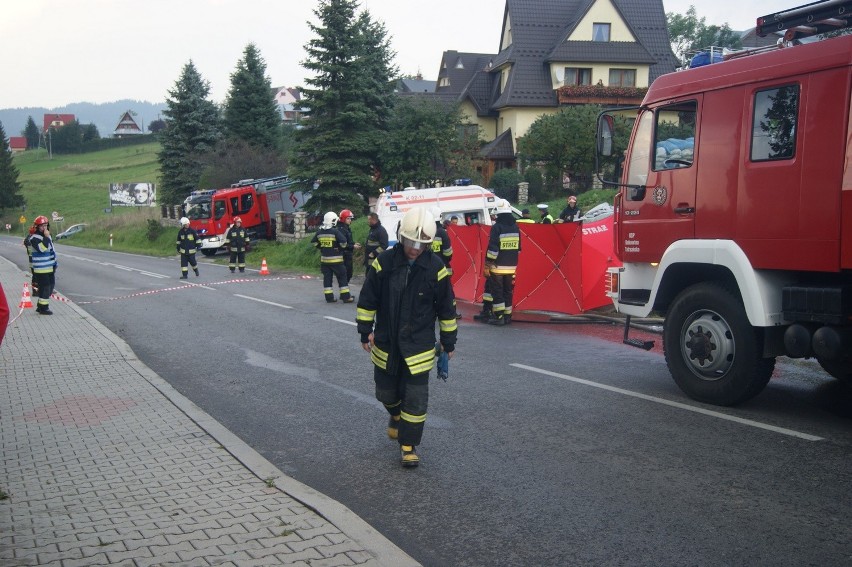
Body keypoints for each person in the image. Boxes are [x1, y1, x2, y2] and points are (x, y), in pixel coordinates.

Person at [356, 207, 458, 468]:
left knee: (415, 399)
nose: (415, 248)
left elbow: (447, 308)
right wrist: (364, 329)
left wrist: (448, 342)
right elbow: (369, 299)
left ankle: (408, 445)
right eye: (411, 242)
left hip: (419, 348)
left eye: (421, 244)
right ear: (401, 238)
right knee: (385, 392)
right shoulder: (384, 263)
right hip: (387, 342)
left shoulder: (435, 268)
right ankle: (395, 415)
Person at [484, 199, 520, 325]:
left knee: (497, 291)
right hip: (511, 266)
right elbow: (518, 248)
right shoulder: (516, 227)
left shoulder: (497, 227)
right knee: (508, 291)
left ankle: (499, 316)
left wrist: (488, 263)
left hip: (497, 267)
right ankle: (507, 316)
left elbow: (493, 248)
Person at [311, 211, 353, 303]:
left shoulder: (319, 232)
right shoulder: (335, 231)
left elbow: (314, 242)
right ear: (333, 221)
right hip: (336, 260)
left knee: (327, 279)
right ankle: (346, 297)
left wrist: (322, 247)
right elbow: (344, 242)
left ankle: (329, 298)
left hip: (324, 261)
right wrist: (339, 248)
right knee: (342, 277)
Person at [29, 215, 58, 315]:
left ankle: (40, 306)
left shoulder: (47, 236)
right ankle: (44, 308)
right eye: (42, 226)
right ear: (37, 227)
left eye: (46, 225)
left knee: (50, 287)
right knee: (45, 287)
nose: (44, 228)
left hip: (50, 267)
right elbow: (42, 249)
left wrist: (55, 263)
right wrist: (46, 237)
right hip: (41, 269)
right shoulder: (34, 238)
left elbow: (52, 250)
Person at [337, 209, 358, 282]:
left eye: (350, 219)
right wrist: (353, 246)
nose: (350, 220)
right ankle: (345, 292)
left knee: (349, 274)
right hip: (344, 255)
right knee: (346, 274)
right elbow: (342, 244)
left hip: (348, 255)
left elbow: (347, 240)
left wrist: (353, 243)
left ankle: (345, 291)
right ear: (343, 219)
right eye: (348, 218)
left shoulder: (346, 228)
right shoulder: (341, 230)